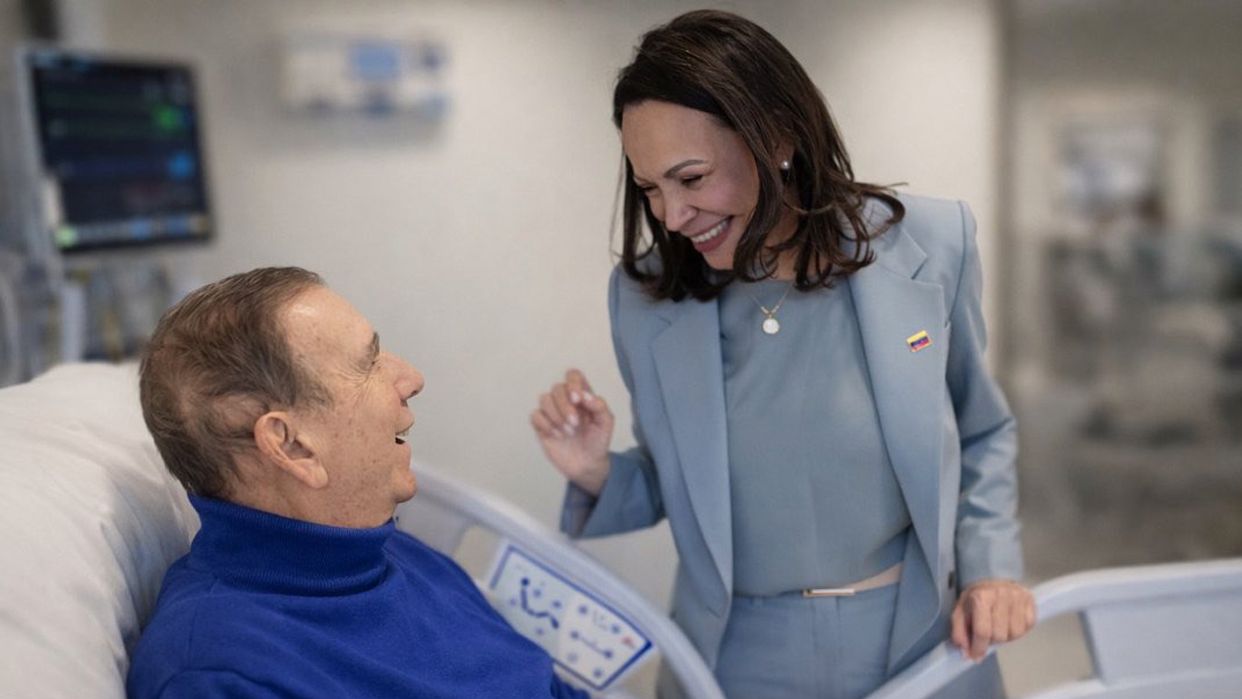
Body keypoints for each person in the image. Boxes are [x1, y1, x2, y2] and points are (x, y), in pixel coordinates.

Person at [530, 10, 1034, 699]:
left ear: (778, 137)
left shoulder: (935, 245)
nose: (672, 215)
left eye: (691, 178)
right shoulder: (646, 299)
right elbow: (680, 484)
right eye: (650, 189)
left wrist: (991, 568)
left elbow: (981, 430)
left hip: (921, 635)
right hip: (734, 653)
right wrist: (595, 470)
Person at [129, 267, 586, 699]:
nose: (412, 379)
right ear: (293, 446)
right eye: (368, 363)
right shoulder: (219, 673)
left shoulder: (386, 551)